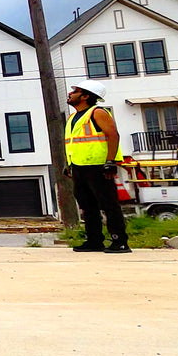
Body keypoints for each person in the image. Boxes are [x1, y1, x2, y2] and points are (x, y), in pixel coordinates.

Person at [64, 79, 129, 253]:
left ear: (85, 96)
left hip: (98, 166)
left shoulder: (97, 112)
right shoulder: (72, 118)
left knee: (108, 204)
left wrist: (110, 162)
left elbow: (113, 135)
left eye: (75, 91)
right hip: (79, 166)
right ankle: (94, 241)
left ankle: (119, 241)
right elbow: (73, 143)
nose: (70, 94)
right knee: (87, 205)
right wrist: (68, 164)